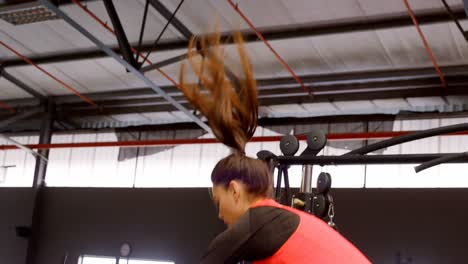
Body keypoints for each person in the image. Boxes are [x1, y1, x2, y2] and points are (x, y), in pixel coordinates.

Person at [178, 30, 370, 264]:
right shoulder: (283, 222)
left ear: (235, 190)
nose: (219, 214)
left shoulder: (256, 223)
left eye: (219, 202)